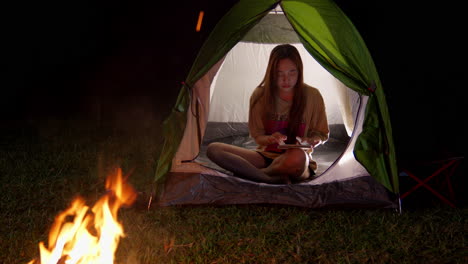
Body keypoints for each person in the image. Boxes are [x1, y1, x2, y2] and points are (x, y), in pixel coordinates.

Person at [206, 44, 329, 184]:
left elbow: (321, 133)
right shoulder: (260, 95)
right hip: (265, 156)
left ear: (299, 71)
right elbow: (258, 136)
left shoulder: (312, 95)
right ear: (271, 73)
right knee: (214, 149)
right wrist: (270, 139)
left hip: (296, 160)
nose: (286, 79)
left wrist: (314, 140)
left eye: (292, 72)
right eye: (279, 73)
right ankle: (268, 177)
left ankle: (256, 175)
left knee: (297, 157)